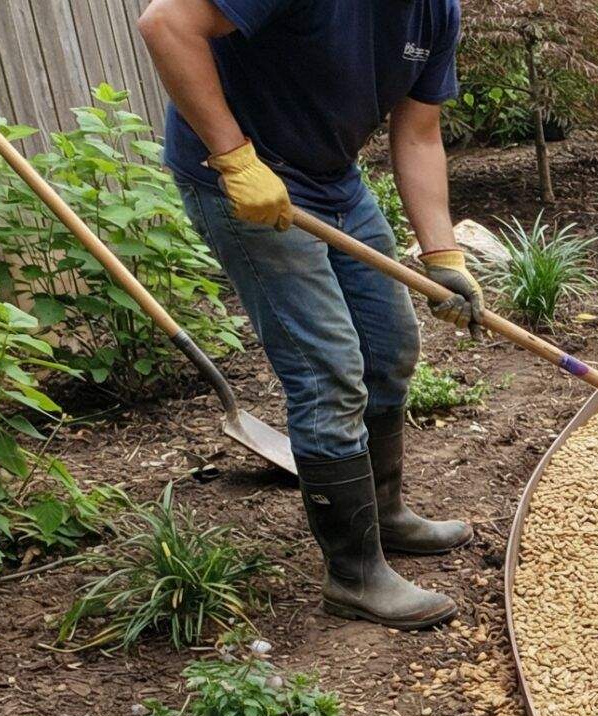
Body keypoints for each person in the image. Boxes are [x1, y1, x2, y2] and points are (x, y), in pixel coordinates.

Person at [139, 0, 480, 629]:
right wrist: (234, 158)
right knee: (328, 370)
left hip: (333, 181)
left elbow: (419, 132)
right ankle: (354, 575)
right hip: (243, 180)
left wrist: (442, 253)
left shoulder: (437, 12)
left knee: (389, 345)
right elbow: (166, 24)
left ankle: (384, 515)